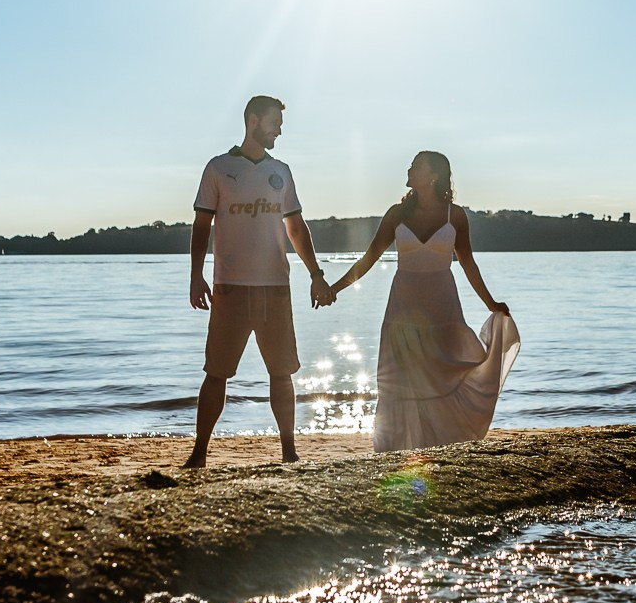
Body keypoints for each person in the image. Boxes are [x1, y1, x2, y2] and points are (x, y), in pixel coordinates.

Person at [321, 151, 519, 453]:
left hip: (443, 310)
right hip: (402, 309)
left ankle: (442, 445)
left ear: (434, 176)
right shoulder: (396, 214)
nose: (409, 169)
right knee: (400, 381)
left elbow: (468, 264)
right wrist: (334, 289)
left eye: (417, 166)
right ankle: (395, 449)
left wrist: (491, 303)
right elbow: (369, 259)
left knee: (443, 374)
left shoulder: (455, 215)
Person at [185, 95, 332, 468]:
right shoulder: (219, 168)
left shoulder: (281, 171)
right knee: (216, 373)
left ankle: (289, 451)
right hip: (230, 287)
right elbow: (202, 226)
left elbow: (296, 227)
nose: (279, 131)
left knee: (281, 373)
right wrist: (196, 276)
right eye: (274, 123)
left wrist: (316, 274)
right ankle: (199, 454)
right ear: (253, 121)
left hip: (275, 288)